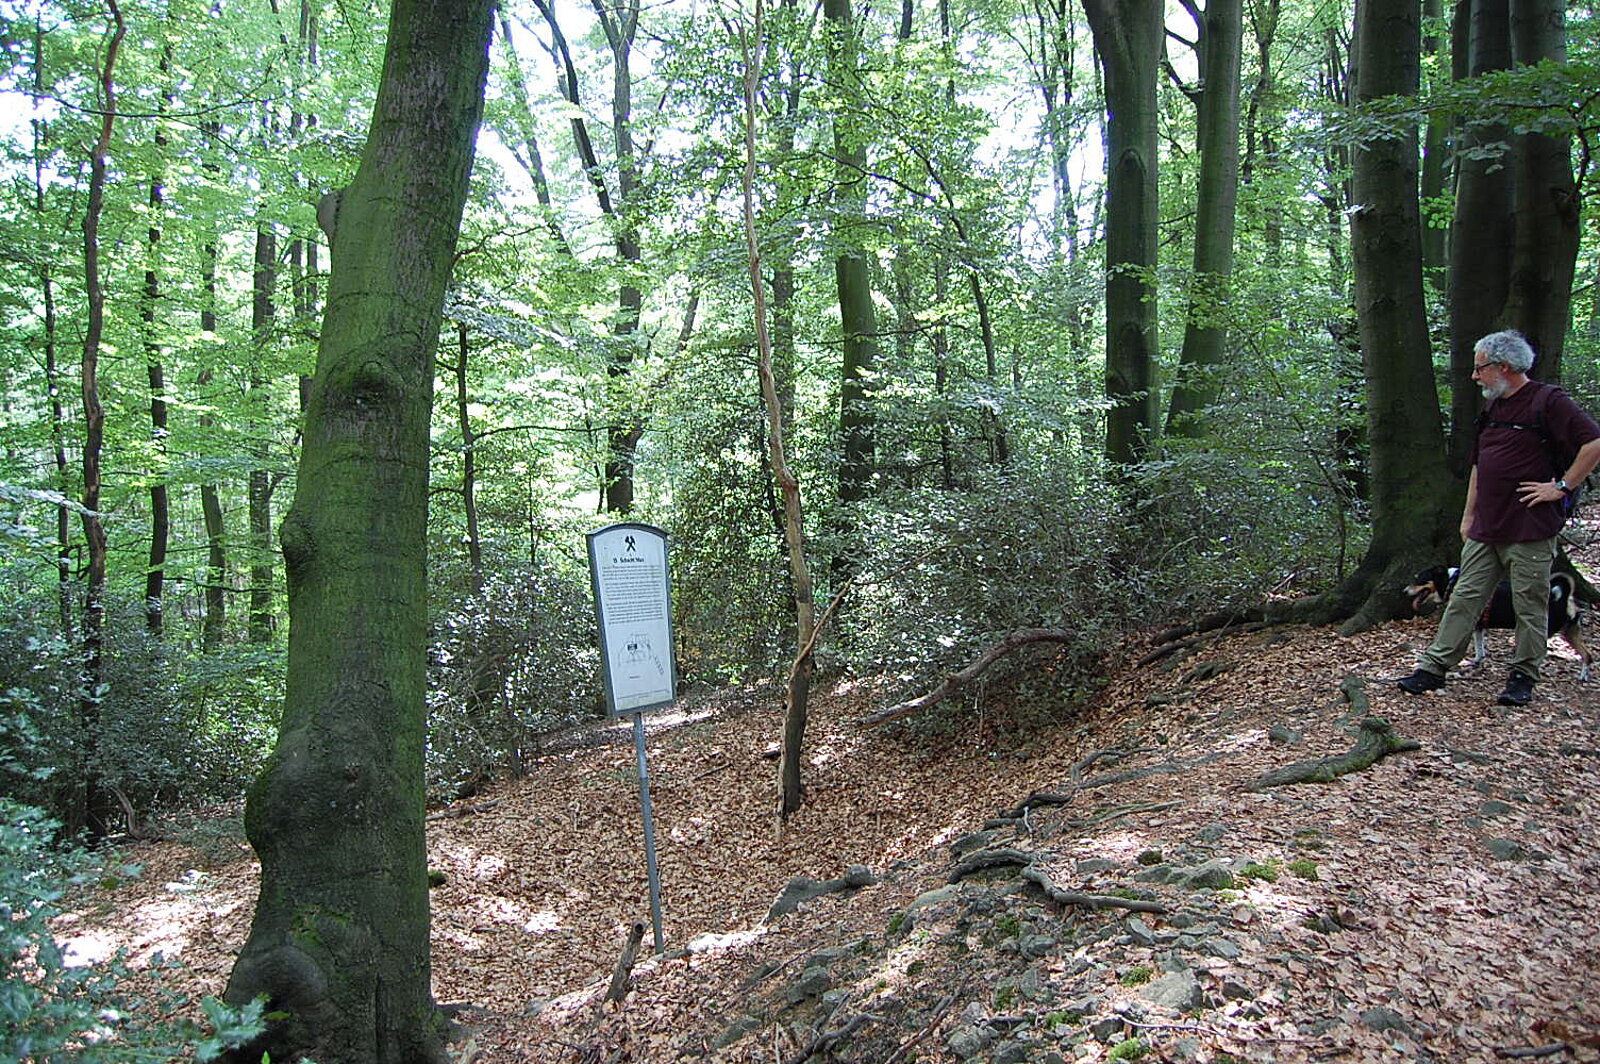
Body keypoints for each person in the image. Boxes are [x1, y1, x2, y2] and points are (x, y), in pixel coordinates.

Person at [1398, 329, 1600, 705]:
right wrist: (1468, 515)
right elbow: (1481, 465)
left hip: (1530, 527)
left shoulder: (1548, 401)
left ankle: (1523, 676)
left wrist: (1562, 486)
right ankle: (1433, 668)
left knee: (1530, 603)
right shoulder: (1493, 407)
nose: (1474, 377)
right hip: (1486, 527)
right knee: (1463, 599)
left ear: (1504, 366)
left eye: (1480, 369)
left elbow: (1594, 442)